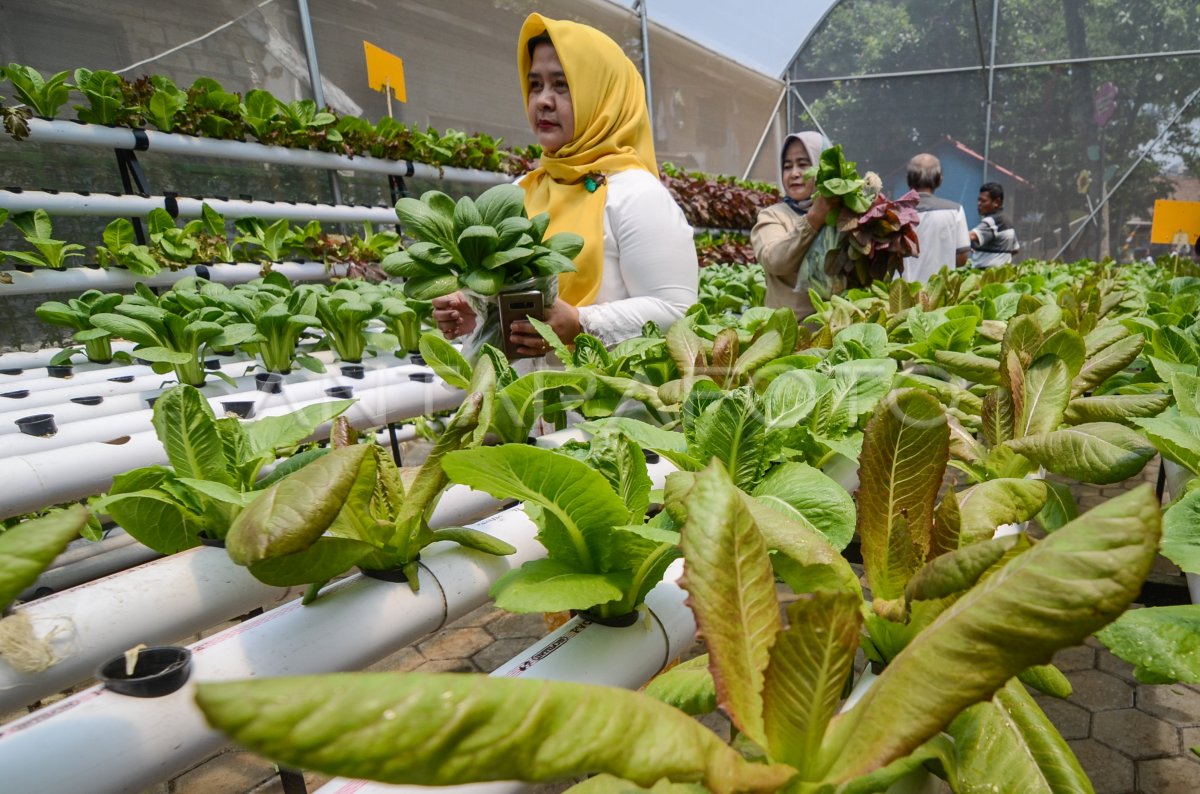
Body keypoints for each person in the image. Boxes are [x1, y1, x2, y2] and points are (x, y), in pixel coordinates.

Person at [432, 14, 697, 356]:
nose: (543, 99)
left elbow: (678, 311)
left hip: (608, 403)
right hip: (525, 403)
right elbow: (517, 305)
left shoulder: (636, 194)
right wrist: (479, 311)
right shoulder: (521, 190)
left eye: (562, 85)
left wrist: (581, 322)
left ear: (603, 96)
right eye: (535, 84)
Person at [750, 131, 840, 320]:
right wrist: (813, 219)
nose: (794, 174)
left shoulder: (844, 215)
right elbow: (774, 261)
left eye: (803, 164)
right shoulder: (773, 215)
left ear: (824, 168)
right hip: (790, 334)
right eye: (787, 166)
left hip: (839, 329)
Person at [900, 153, 970, 284]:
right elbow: (962, 258)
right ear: (939, 180)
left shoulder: (893, 212)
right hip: (939, 294)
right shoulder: (955, 211)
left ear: (908, 179)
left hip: (901, 296)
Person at [968, 182, 1020, 267]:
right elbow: (1015, 249)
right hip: (1002, 273)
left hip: (986, 275)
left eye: (983, 201)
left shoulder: (992, 221)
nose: (979, 204)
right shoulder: (1007, 222)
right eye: (979, 200)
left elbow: (970, 236)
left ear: (996, 202)